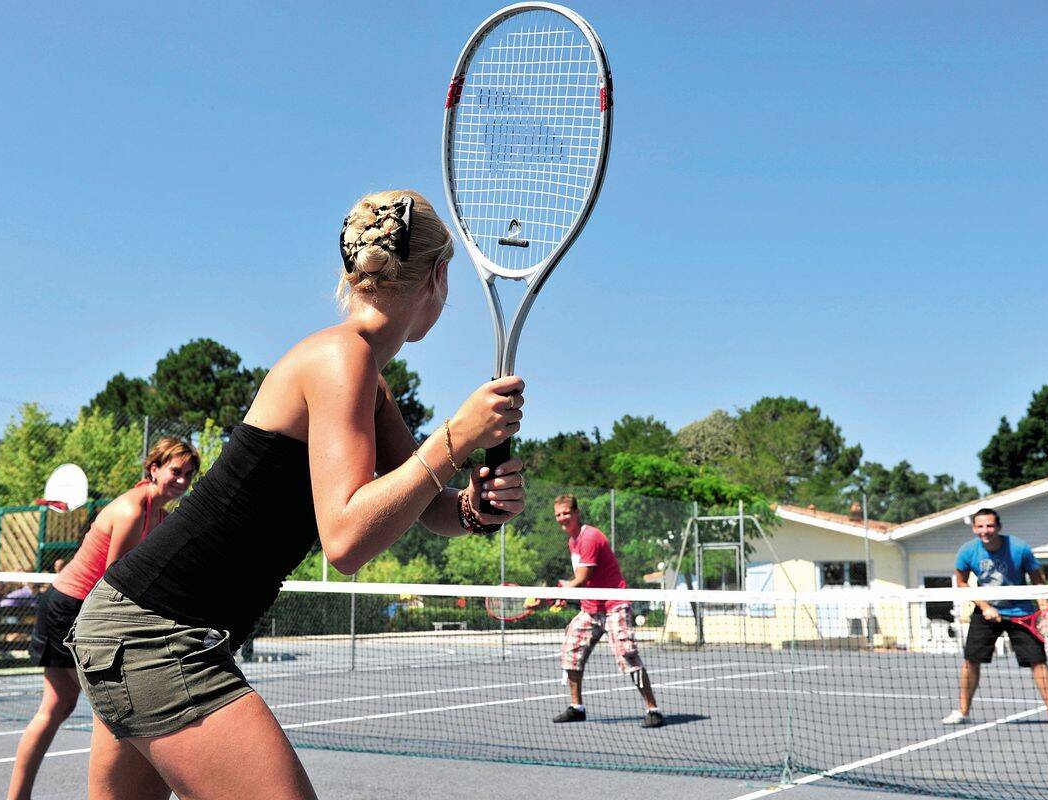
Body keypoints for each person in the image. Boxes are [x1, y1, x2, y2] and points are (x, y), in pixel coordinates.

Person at [67, 190, 527, 800]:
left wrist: (474, 510)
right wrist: (456, 435)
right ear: (439, 277)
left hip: (134, 621)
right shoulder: (342, 358)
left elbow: (418, 503)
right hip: (158, 632)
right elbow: (346, 539)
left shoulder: (365, 376)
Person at [6, 439, 199, 800]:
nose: (182, 480)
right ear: (153, 469)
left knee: (62, 707)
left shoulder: (161, 516)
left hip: (82, 608)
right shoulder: (131, 512)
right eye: (176, 471)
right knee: (108, 709)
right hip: (69, 607)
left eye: (189, 474)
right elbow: (113, 584)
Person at [528, 493, 663, 728]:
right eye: (558, 515)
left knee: (627, 655)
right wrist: (560, 597)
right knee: (571, 651)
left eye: (566, 513)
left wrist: (550, 595)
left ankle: (653, 709)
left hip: (615, 605)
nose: (562, 518)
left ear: (577, 514)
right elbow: (584, 584)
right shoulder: (573, 541)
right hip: (591, 607)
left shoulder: (590, 537)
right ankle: (576, 707)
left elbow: (581, 579)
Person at [940, 508, 1048, 733]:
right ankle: (962, 711)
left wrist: (1045, 612)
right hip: (986, 613)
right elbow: (962, 583)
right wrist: (985, 606)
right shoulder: (967, 551)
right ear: (974, 528)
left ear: (998, 527)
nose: (985, 531)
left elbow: (1039, 582)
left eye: (989, 526)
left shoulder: (1019, 549)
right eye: (980, 526)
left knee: (1038, 662)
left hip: (1022, 612)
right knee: (971, 661)